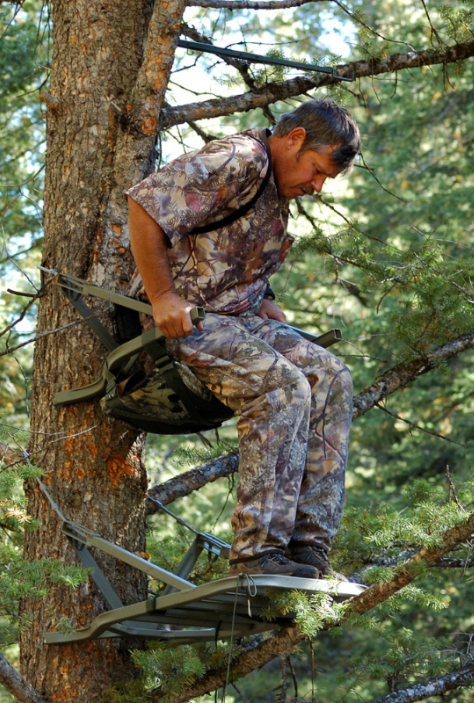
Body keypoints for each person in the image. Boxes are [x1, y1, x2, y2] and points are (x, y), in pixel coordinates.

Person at [126, 99, 360, 580]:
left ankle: (308, 549)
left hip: (235, 319)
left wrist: (265, 294)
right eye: (316, 171)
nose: (317, 188)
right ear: (293, 139)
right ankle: (257, 553)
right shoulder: (242, 158)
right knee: (283, 387)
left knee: (331, 376)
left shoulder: (277, 189)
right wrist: (164, 296)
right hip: (181, 323)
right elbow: (145, 203)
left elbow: (232, 248)